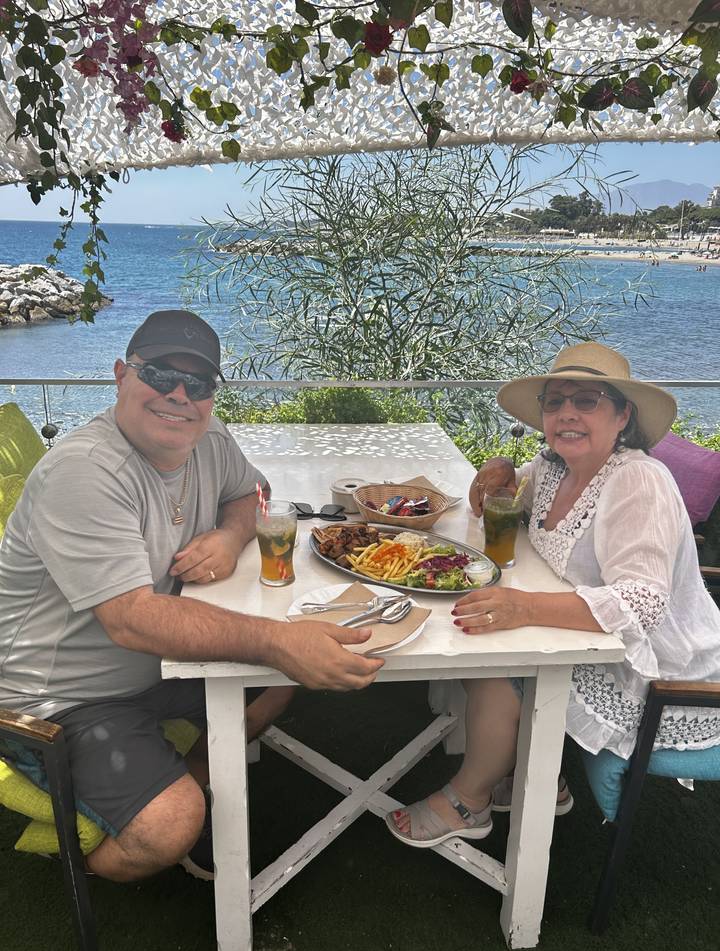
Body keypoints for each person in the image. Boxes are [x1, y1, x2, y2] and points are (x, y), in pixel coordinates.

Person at [0, 309, 383, 880]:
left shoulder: (208, 438)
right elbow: (132, 620)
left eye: (198, 384)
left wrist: (230, 537)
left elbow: (252, 491)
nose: (179, 395)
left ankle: (191, 774)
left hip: (156, 668)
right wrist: (280, 641)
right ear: (120, 375)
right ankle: (89, 856)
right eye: (158, 375)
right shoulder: (84, 472)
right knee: (170, 825)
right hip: (57, 700)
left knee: (278, 686)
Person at [387, 341, 720, 847]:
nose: (566, 413)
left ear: (622, 414)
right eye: (555, 401)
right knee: (480, 636)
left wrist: (525, 607)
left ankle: (468, 801)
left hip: (657, 668)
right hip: (591, 631)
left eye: (586, 400)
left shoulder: (638, 481)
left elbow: (644, 604)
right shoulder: (556, 466)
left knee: (498, 665)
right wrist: (500, 462)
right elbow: (510, 493)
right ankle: (532, 773)